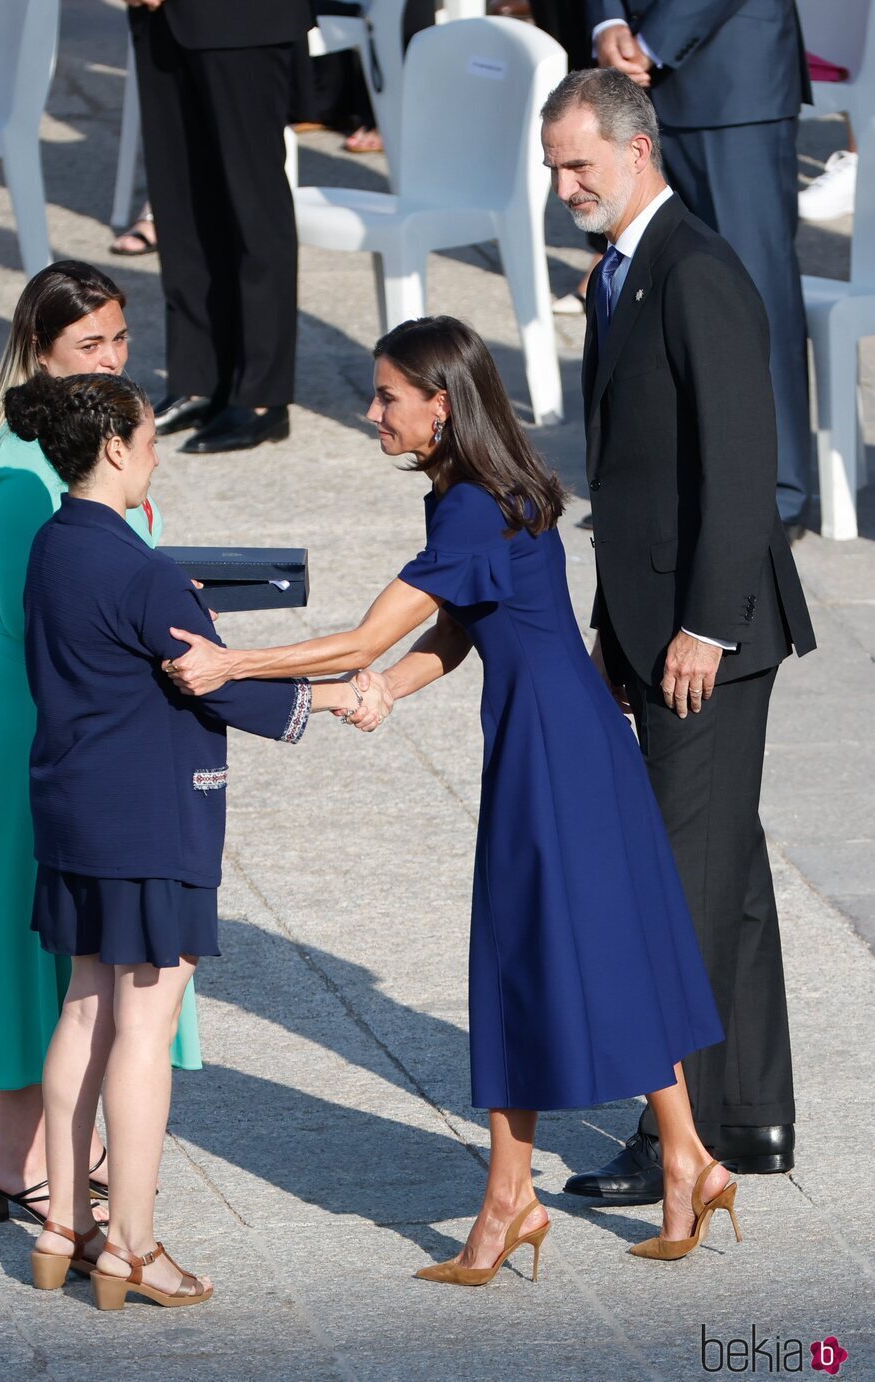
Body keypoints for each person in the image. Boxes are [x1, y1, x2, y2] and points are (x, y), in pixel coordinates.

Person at [163, 315, 743, 1276]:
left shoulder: (471, 506)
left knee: (522, 962)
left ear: (442, 404)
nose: (371, 409)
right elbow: (470, 628)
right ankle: (682, 1159)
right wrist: (393, 687)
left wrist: (235, 664)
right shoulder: (483, 493)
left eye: (388, 395)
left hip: (550, 755)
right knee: (608, 948)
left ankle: (511, 1204)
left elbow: (359, 641)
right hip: (569, 740)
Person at [10, 372, 370, 1308]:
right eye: (147, 437)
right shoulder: (144, 569)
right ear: (119, 448)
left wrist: (177, 602)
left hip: (73, 812)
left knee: (85, 1009)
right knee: (146, 1023)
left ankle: (61, 1225)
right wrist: (335, 695)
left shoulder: (53, 545)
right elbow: (218, 682)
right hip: (150, 820)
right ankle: (132, 1245)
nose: (157, 452)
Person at [540, 69, 816, 1208]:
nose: (562, 188)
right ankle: (746, 1117)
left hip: (709, 634)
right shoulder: (624, 271)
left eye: (577, 167)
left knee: (676, 891)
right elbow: (639, 474)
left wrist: (702, 623)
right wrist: (622, 625)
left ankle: (679, 1138)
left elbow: (742, 469)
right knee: (726, 877)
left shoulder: (694, 270)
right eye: (553, 170)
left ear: (638, 151)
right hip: (655, 625)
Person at [0, 260, 201, 1229]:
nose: (107, 360)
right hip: (48, 709)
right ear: (39, 350)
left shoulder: (65, 439)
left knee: (55, 934)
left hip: (54, 696)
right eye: (85, 346)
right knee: (40, 932)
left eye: (117, 340)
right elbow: (52, 614)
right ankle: (22, 1156)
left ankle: (50, 1154)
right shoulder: (29, 466)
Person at [588, 0, 814, 538]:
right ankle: (664, 482)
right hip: (633, 81)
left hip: (735, 79)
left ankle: (772, 493)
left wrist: (653, 41)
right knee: (648, 285)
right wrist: (607, 22)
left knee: (752, 292)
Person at [126, 0, 312, 454]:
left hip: (240, 19)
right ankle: (200, 377)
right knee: (179, 200)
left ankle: (262, 396)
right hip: (160, 20)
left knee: (254, 206)